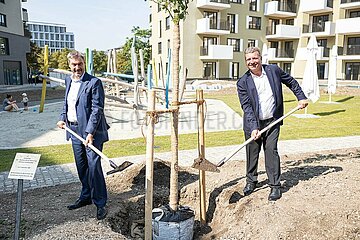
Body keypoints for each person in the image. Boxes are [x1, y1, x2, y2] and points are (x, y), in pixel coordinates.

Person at [237, 46, 308, 201]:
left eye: (254, 58)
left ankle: (275, 186)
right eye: (248, 59)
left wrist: (301, 97)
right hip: (253, 123)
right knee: (252, 153)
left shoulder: (273, 70)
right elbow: (247, 106)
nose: (252, 62)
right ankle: (251, 181)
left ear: (260, 58)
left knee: (271, 151)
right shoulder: (243, 82)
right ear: (245, 62)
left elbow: (291, 81)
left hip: (273, 120)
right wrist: (254, 127)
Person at [56, 50, 110, 220]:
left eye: (80, 64)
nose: (77, 68)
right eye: (74, 65)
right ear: (69, 65)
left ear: (84, 63)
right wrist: (62, 118)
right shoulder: (68, 81)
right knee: (82, 167)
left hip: (91, 132)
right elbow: (66, 103)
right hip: (73, 131)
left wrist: (90, 132)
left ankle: (100, 203)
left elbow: (97, 109)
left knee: (94, 168)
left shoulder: (94, 82)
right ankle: (86, 196)